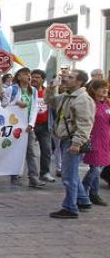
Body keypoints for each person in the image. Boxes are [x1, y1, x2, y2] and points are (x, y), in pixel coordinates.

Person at [46, 70, 95, 219]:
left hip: (72, 141)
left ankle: (70, 208)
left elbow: (85, 124)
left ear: (79, 82)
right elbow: (50, 102)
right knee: (71, 174)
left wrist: (76, 143)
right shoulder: (68, 96)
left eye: (70, 77)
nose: (66, 79)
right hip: (66, 139)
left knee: (69, 176)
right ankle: (83, 200)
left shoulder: (82, 99)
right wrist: (50, 88)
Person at [8, 68, 45, 188]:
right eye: (25, 75)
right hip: (15, 125)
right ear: (18, 77)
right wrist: (16, 103)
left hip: (27, 126)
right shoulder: (12, 89)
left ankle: (34, 178)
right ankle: (15, 176)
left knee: (31, 153)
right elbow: (3, 105)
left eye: (29, 75)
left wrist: (31, 124)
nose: (29, 77)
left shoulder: (33, 90)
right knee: (15, 151)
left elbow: (34, 108)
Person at [82, 79, 110, 206]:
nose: (105, 90)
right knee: (96, 169)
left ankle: (94, 194)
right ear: (93, 90)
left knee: (99, 167)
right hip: (94, 139)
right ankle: (82, 191)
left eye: (106, 87)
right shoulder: (90, 104)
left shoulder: (107, 103)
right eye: (101, 88)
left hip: (106, 140)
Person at [31, 69, 56, 183]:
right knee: (27, 151)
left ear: (43, 79)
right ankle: (18, 174)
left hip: (45, 126)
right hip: (30, 126)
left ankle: (45, 173)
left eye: (37, 77)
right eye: (33, 76)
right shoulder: (28, 92)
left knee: (46, 150)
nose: (34, 79)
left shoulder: (47, 92)